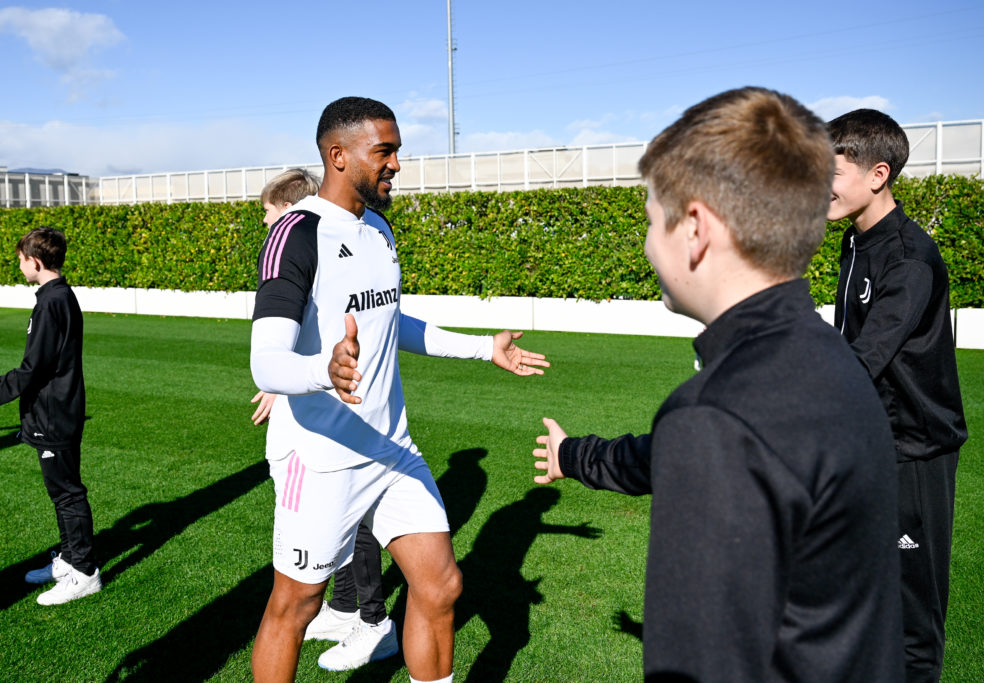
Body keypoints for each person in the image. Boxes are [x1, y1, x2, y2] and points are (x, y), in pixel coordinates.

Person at [531, 87, 904, 681]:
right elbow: (675, 456)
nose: (649, 244)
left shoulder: (719, 416)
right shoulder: (823, 356)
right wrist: (575, 454)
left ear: (696, 228)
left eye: (653, 221)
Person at [248, 96, 549, 683]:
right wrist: (322, 371)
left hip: (391, 447)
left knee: (440, 585)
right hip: (322, 457)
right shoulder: (295, 233)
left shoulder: (379, 228)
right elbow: (266, 363)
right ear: (338, 156)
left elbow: (392, 322)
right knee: (296, 606)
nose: (395, 164)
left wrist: (481, 347)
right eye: (383, 151)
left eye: (397, 152)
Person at [827, 108, 967, 683]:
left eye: (829, 173)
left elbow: (865, 359)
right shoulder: (853, 242)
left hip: (912, 452)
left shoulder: (909, 260)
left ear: (878, 174)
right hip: (866, 441)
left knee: (911, 621)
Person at [251, 167, 396, 672]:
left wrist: (309, 375)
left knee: (352, 535)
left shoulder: (333, 235)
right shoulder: (312, 246)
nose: (268, 228)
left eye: (271, 216)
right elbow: (296, 342)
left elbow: (377, 327)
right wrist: (285, 378)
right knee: (343, 542)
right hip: (323, 420)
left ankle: (372, 622)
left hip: (337, 436)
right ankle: (345, 610)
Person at [0, 226, 101, 606]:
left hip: (55, 415)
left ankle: (84, 572)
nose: (19, 265)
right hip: (54, 412)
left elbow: (31, 371)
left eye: (21, 259)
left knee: (67, 493)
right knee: (61, 493)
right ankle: (69, 560)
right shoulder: (56, 297)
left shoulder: (52, 302)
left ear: (35, 261)